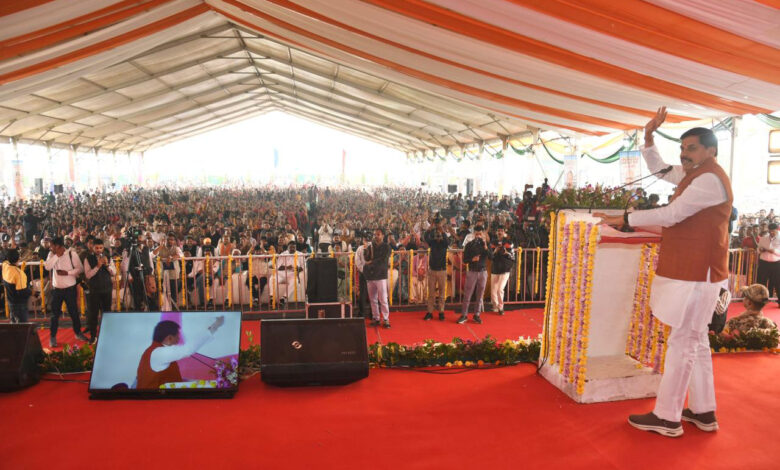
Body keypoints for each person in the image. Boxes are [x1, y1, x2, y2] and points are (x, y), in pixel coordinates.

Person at [596, 107, 732, 437]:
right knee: (696, 341)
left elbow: (672, 214)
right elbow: (660, 170)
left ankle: (667, 417)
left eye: (692, 148)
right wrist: (648, 137)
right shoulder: (695, 174)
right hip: (695, 271)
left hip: (698, 273)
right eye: (682, 148)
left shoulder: (709, 179)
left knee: (683, 341)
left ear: (711, 150)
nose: (684, 154)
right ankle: (703, 411)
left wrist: (626, 219)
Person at [136, 316, 225, 389]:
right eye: (177, 337)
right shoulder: (159, 353)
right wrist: (215, 326)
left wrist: (190, 382)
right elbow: (188, 349)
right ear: (169, 338)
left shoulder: (154, 351)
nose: (179, 340)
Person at [45, 237, 86, 347]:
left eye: (51, 246)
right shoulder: (51, 255)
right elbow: (47, 267)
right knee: (54, 315)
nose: (50, 248)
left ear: (58, 246)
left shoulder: (71, 254)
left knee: (74, 313)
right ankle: (52, 337)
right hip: (56, 290)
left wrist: (68, 273)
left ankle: (78, 333)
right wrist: (57, 256)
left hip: (70, 290)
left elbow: (80, 269)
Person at [83, 239, 115, 344]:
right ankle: (93, 336)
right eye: (96, 248)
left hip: (107, 289)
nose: (99, 250)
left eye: (100, 248)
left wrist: (107, 265)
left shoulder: (108, 257)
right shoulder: (88, 259)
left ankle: (108, 334)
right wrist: (98, 266)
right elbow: (88, 275)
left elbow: (114, 272)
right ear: (92, 248)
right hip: (94, 290)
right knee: (94, 314)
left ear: (103, 248)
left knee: (107, 313)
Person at [457, 225, 489, 324]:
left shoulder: (485, 244)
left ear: (483, 234)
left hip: (483, 271)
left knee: (480, 295)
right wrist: (472, 259)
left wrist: (486, 247)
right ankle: (464, 315)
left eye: (480, 234)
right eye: (477, 234)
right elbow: (465, 260)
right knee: (467, 294)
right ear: (474, 234)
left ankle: (477, 315)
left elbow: (491, 257)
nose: (478, 236)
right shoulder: (469, 245)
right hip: (472, 271)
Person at [423, 217, 450, 321]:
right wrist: (431, 227)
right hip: (432, 270)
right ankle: (430, 312)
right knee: (431, 293)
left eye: (440, 234)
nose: (438, 236)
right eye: (437, 234)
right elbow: (425, 236)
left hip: (442, 270)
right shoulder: (432, 242)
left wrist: (441, 229)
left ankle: (441, 312)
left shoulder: (445, 243)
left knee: (442, 293)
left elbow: (447, 240)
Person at [363, 228, 391, 328]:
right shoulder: (371, 246)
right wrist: (366, 250)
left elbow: (383, 259)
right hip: (370, 275)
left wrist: (371, 262)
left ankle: (386, 319)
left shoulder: (387, 247)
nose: (376, 236)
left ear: (383, 235)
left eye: (378, 234)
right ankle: (376, 318)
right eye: (375, 234)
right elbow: (366, 259)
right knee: (373, 299)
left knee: (383, 299)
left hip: (381, 275)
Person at [489, 226, 515, 315]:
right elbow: (490, 256)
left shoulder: (509, 243)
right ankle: (495, 306)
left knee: (500, 289)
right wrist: (495, 251)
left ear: (504, 232)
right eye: (498, 231)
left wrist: (506, 252)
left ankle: (501, 307)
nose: (500, 232)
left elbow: (513, 257)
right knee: (493, 290)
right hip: (495, 268)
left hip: (505, 269)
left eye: (501, 231)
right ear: (496, 232)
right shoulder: (493, 242)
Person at [2, 248, 31, 323]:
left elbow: (6, 259)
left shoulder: (5, 266)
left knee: (14, 325)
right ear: (19, 258)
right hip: (19, 304)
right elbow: (21, 292)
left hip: (11, 302)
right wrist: (33, 292)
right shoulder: (19, 273)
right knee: (22, 326)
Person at [757, 223, 779, 307]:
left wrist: (774, 251)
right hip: (764, 263)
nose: (771, 233)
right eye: (770, 231)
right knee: (761, 282)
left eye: (773, 231)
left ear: (777, 229)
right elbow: (757, 250)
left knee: (778, 283)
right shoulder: (763, 238)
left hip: (776, 263)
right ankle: (760, 301)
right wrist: (760, 250)